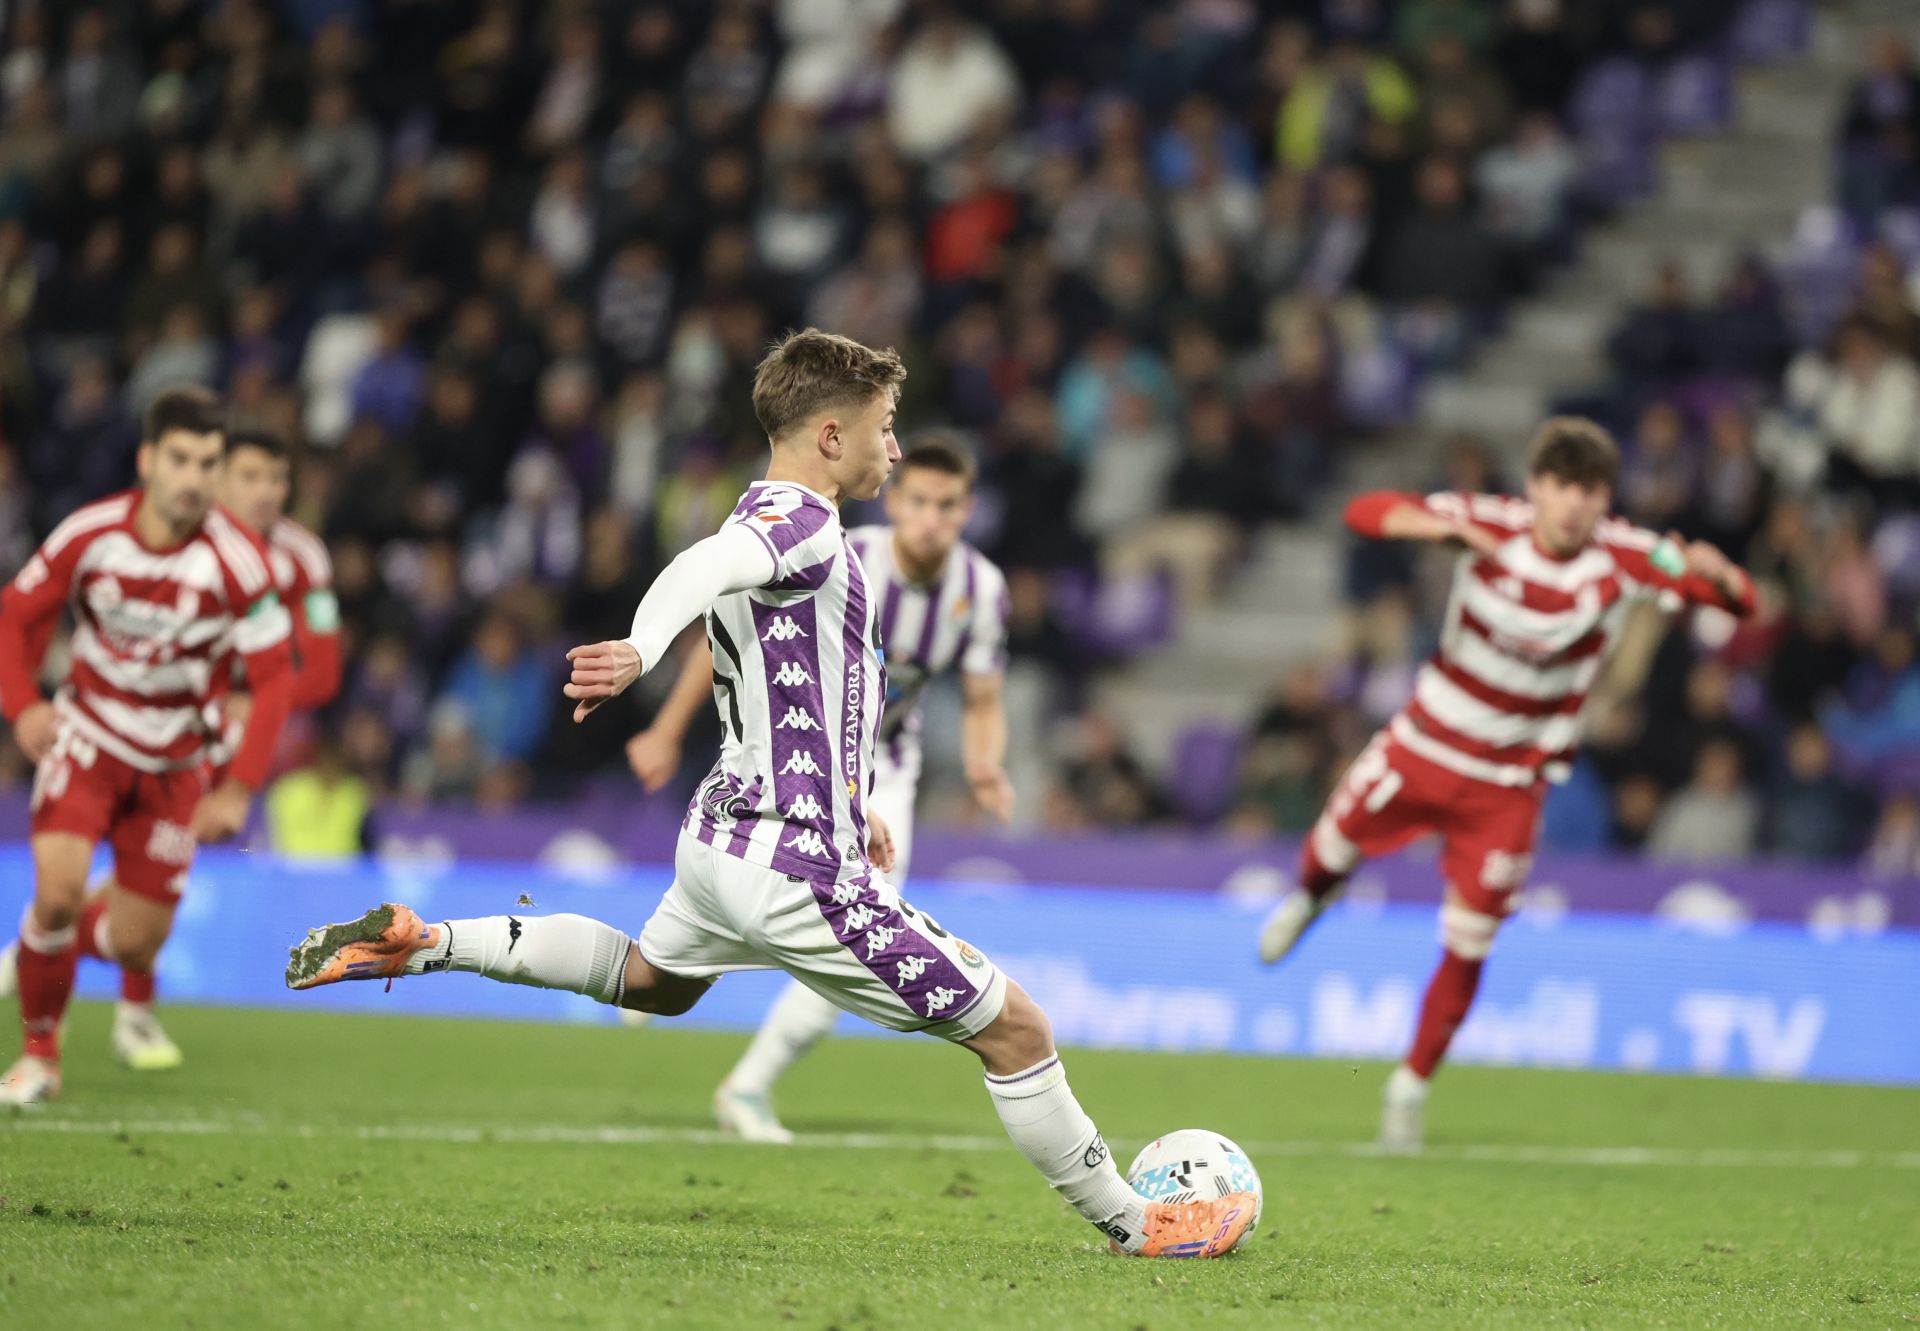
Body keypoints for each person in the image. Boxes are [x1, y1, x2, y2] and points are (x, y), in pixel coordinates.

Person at [283, 329, 1253, 1258]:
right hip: (798, 865)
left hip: (723, 838)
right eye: (882, 426)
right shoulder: (800, 521)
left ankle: (430, 941)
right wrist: (640, 646)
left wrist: (851, 789)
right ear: (832, 436)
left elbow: (779, 640)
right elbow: (703, 570)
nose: (895, 446)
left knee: (654, 982)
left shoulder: (762, 512)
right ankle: (1139, 1223)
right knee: (1017, 1028)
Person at [1256, 417, 1755, 1150]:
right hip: (1424, 743)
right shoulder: (1486, 520)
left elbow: (1739, 604)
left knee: (1470, 940)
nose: (1574, 503)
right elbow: (1361, 512)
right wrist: (1428, 526)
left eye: (1590, 490)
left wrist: (1722, 574)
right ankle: (1309, 896)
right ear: (1535, 487)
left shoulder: (1625, 554)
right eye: (1561, 485)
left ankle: (1409, 1086)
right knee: (1331, 843)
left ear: (1605, 497)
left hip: (1511, 783)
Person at [626, 433, 1013, 1142]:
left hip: (884, 769)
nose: (931, 518)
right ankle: (679, 973)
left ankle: (745, 1080)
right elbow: (722, 635)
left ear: (967, 511)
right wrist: (668, 730)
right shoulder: (842, 552)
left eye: (948, 505)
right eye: (918, 501)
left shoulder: (981, 589)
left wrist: (987, 761)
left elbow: (984, 699)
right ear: (893, 501)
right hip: (789, 753)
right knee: (812, 905)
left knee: (868, 919)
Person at [0, 427, 340, 1069]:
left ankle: (81, 966)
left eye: (277, 479)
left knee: (143, 916)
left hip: (216, 736)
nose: (264, 493)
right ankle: (123, 1017)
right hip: (126, 728)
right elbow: (27, 611)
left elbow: (317, 672)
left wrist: (249, 710)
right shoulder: (148, 540)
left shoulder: (303, 557)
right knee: (73, 886)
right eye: (248, 477)